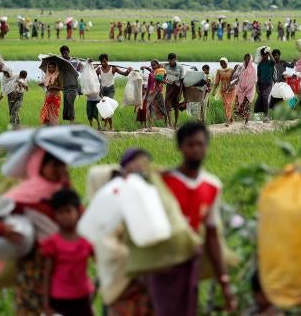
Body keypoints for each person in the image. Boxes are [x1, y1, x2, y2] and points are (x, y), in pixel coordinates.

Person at [148, 122, 237, 316]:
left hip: (191, 263)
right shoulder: (164, 182)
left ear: (207, 146)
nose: (196, 149)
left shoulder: (212, 186)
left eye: (200, 144)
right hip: (164, 263)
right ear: (180, 147)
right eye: (191, 144)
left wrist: (224, 281)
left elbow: (212, 234)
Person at [0, 149, 70, 315]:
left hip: (64, 263)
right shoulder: (22, 195)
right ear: (39, 166)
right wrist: (3, 229)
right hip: (34, 267)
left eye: (62, 165)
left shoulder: (63, 192)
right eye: (54, 165)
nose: (60, 170)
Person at [87, 149, 154, 316]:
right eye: (134, 167)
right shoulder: (105, 212)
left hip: (145, 285)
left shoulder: (142, 203)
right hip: (121, 285)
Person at [42, 189, 94, 316]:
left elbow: (100, 261)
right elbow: (47, 273)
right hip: (60, 299)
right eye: (61, 212)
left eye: (68, 211)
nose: (65, 216)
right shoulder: (52, 243)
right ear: (55, 215)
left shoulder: (86, 241)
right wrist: (45, 304)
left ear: (77, 212)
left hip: (82, 296)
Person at [96, 53, 131, 131]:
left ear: (107, 61)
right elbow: (94, 78)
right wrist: (92, 68)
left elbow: (124, 74)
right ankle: (110, 126)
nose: (103, 63)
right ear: (100, 61)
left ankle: (106, 125)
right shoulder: (98, 69)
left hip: (110, 90)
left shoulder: (113, 68)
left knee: (108, 106)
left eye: (105, 61)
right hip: (102, 90)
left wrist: (128, 70)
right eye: (102, 62)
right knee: (105, 108)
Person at [60, 45, 83, 124]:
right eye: (63, 53)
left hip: (73, 85)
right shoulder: (61, 62)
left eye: (66, 52)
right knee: (66, 104)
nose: (64, 54)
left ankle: (72, 123)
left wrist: (89, 63)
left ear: (68, 52)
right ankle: (70, 122)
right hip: (65, 86)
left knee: (70, 103)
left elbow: (83, 69)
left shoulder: (75, 62)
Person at [142, 60, 167, 131]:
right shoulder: (151, 74)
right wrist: (146, 94)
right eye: (152, 65)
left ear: (158, 65)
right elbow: (149, 84)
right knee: (150, 108)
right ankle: (150, 125)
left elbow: (164, 81)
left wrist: (163, 80)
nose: (153, 67)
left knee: (162, 107)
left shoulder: (161, 72)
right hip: (151, 92)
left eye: (154, 65)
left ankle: (167, 123)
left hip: (158, 92)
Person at [212, 57, 235, 127]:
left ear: (226, 63)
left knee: (229, 104)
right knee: (226, 105)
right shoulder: (219, 71)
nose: (223, 64)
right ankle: (230, 118)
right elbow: (216, 81)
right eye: (221, 63)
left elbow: (235, 79)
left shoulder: (231, 70)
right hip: (223, 90)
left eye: (224, 63)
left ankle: (228, 120)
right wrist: (214, 90)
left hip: (231, 90)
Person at [164, 53, 185, 128]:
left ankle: (175, 124)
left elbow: (182, 81)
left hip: (177, 88)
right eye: (170, 60)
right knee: (167, 105)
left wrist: (180, 93)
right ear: (168, 60)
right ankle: (170, 123)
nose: (172, 62)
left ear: (175, 59)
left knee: (176, 106)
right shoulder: (165, 66)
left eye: (173, 60)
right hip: (169, 87)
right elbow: (158, 68)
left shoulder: (180, 67)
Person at [254, 48, 275, 122]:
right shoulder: (260, 65)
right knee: (259, 102)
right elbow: (258, 76)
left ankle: (266, 116)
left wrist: (269, 52)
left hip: (269, 84)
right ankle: (259, 117)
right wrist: (257, 86)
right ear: (261, 56)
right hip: (261, 85)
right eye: (263, 56)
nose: (264, 57)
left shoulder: (270, 63)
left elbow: (273, 61)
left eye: (266, 56)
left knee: (265, 97)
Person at [236, 54, 257, 124]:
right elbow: (238, 78)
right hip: (241, 90)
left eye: (248, 59)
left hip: (249, 91)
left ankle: (247, 120)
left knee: (247, 105)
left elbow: (253, 80)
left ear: (251, 60)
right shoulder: (241, 68)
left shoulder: (253, 69)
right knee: (240, 105)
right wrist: (240, 88)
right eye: (246, 59)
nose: (247, 60)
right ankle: (242, 117)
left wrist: (247, 89)